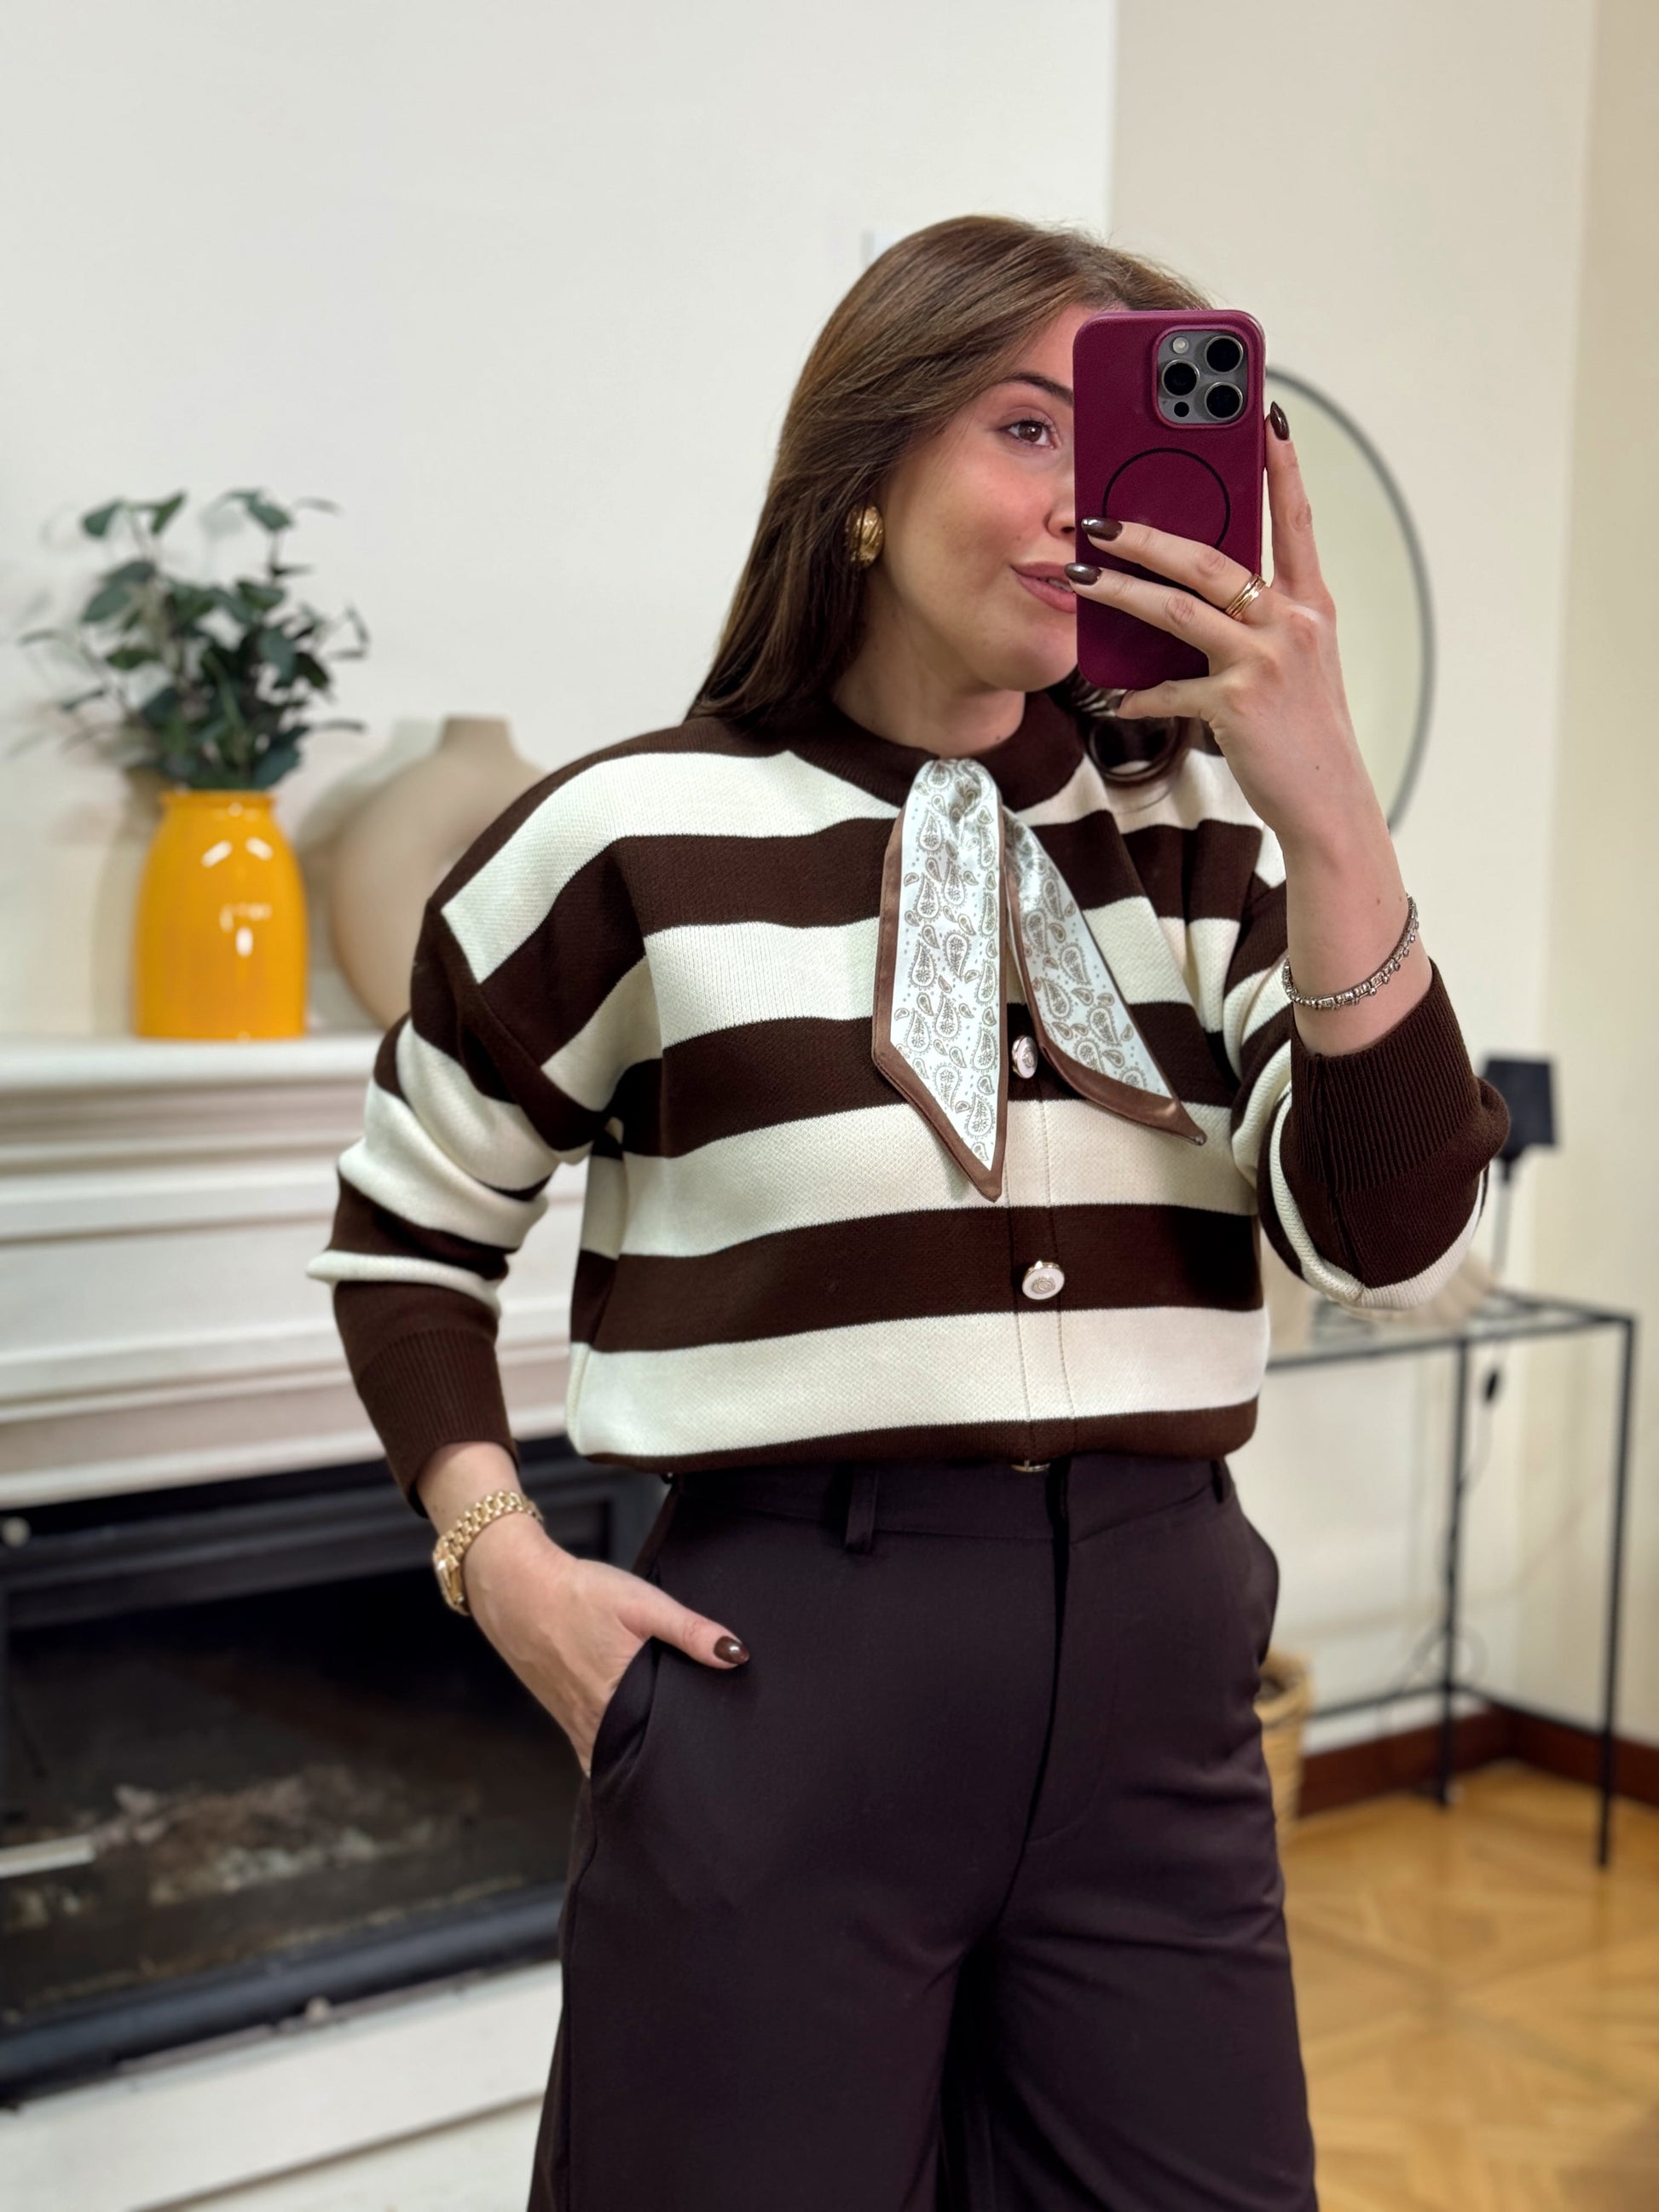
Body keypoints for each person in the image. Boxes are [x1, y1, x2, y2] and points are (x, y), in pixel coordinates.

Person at [307, 214, 1508, 2212]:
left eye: (1111, 442)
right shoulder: (625, 840)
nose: (1078, 502)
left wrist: (1330, 810)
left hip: (1159, 1703)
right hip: (781, 1691)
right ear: (862, 470)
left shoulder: (1207, 854)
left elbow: (1384, 1233)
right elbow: (407, 1235)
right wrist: (495, 1557)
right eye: (1024, 428)